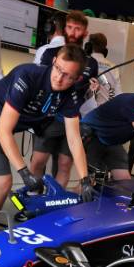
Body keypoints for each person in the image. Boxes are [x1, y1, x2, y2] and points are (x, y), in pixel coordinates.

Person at [0, 45, 93, 213]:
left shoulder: (71, 96)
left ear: (77, 79)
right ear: (53, 61)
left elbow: (74, 139)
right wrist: (25, 172)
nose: (59, 78)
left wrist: (84, 180)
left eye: (67, 76)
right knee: (2, 183)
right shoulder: (27, 76)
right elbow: (3, 131)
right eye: (58, 69)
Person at [29, 11, 96, 184]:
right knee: (38, 162)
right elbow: (42, 84)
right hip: (47, 118)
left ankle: (55, 202)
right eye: (70, 27)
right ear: (64, 28)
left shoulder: (91, 63)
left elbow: (83, 93)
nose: (73, 33)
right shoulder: (49, 53)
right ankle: (33, 198)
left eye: (78, 29)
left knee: (64, 164)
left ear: (85, 33)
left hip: (73, 119)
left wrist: (91, 90)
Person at [81, 32, 120, 116]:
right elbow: (118, 94)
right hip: (105, 113)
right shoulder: (114, 67)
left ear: (88, 47)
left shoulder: (83, 64)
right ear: (105, 50)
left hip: (84, 112)